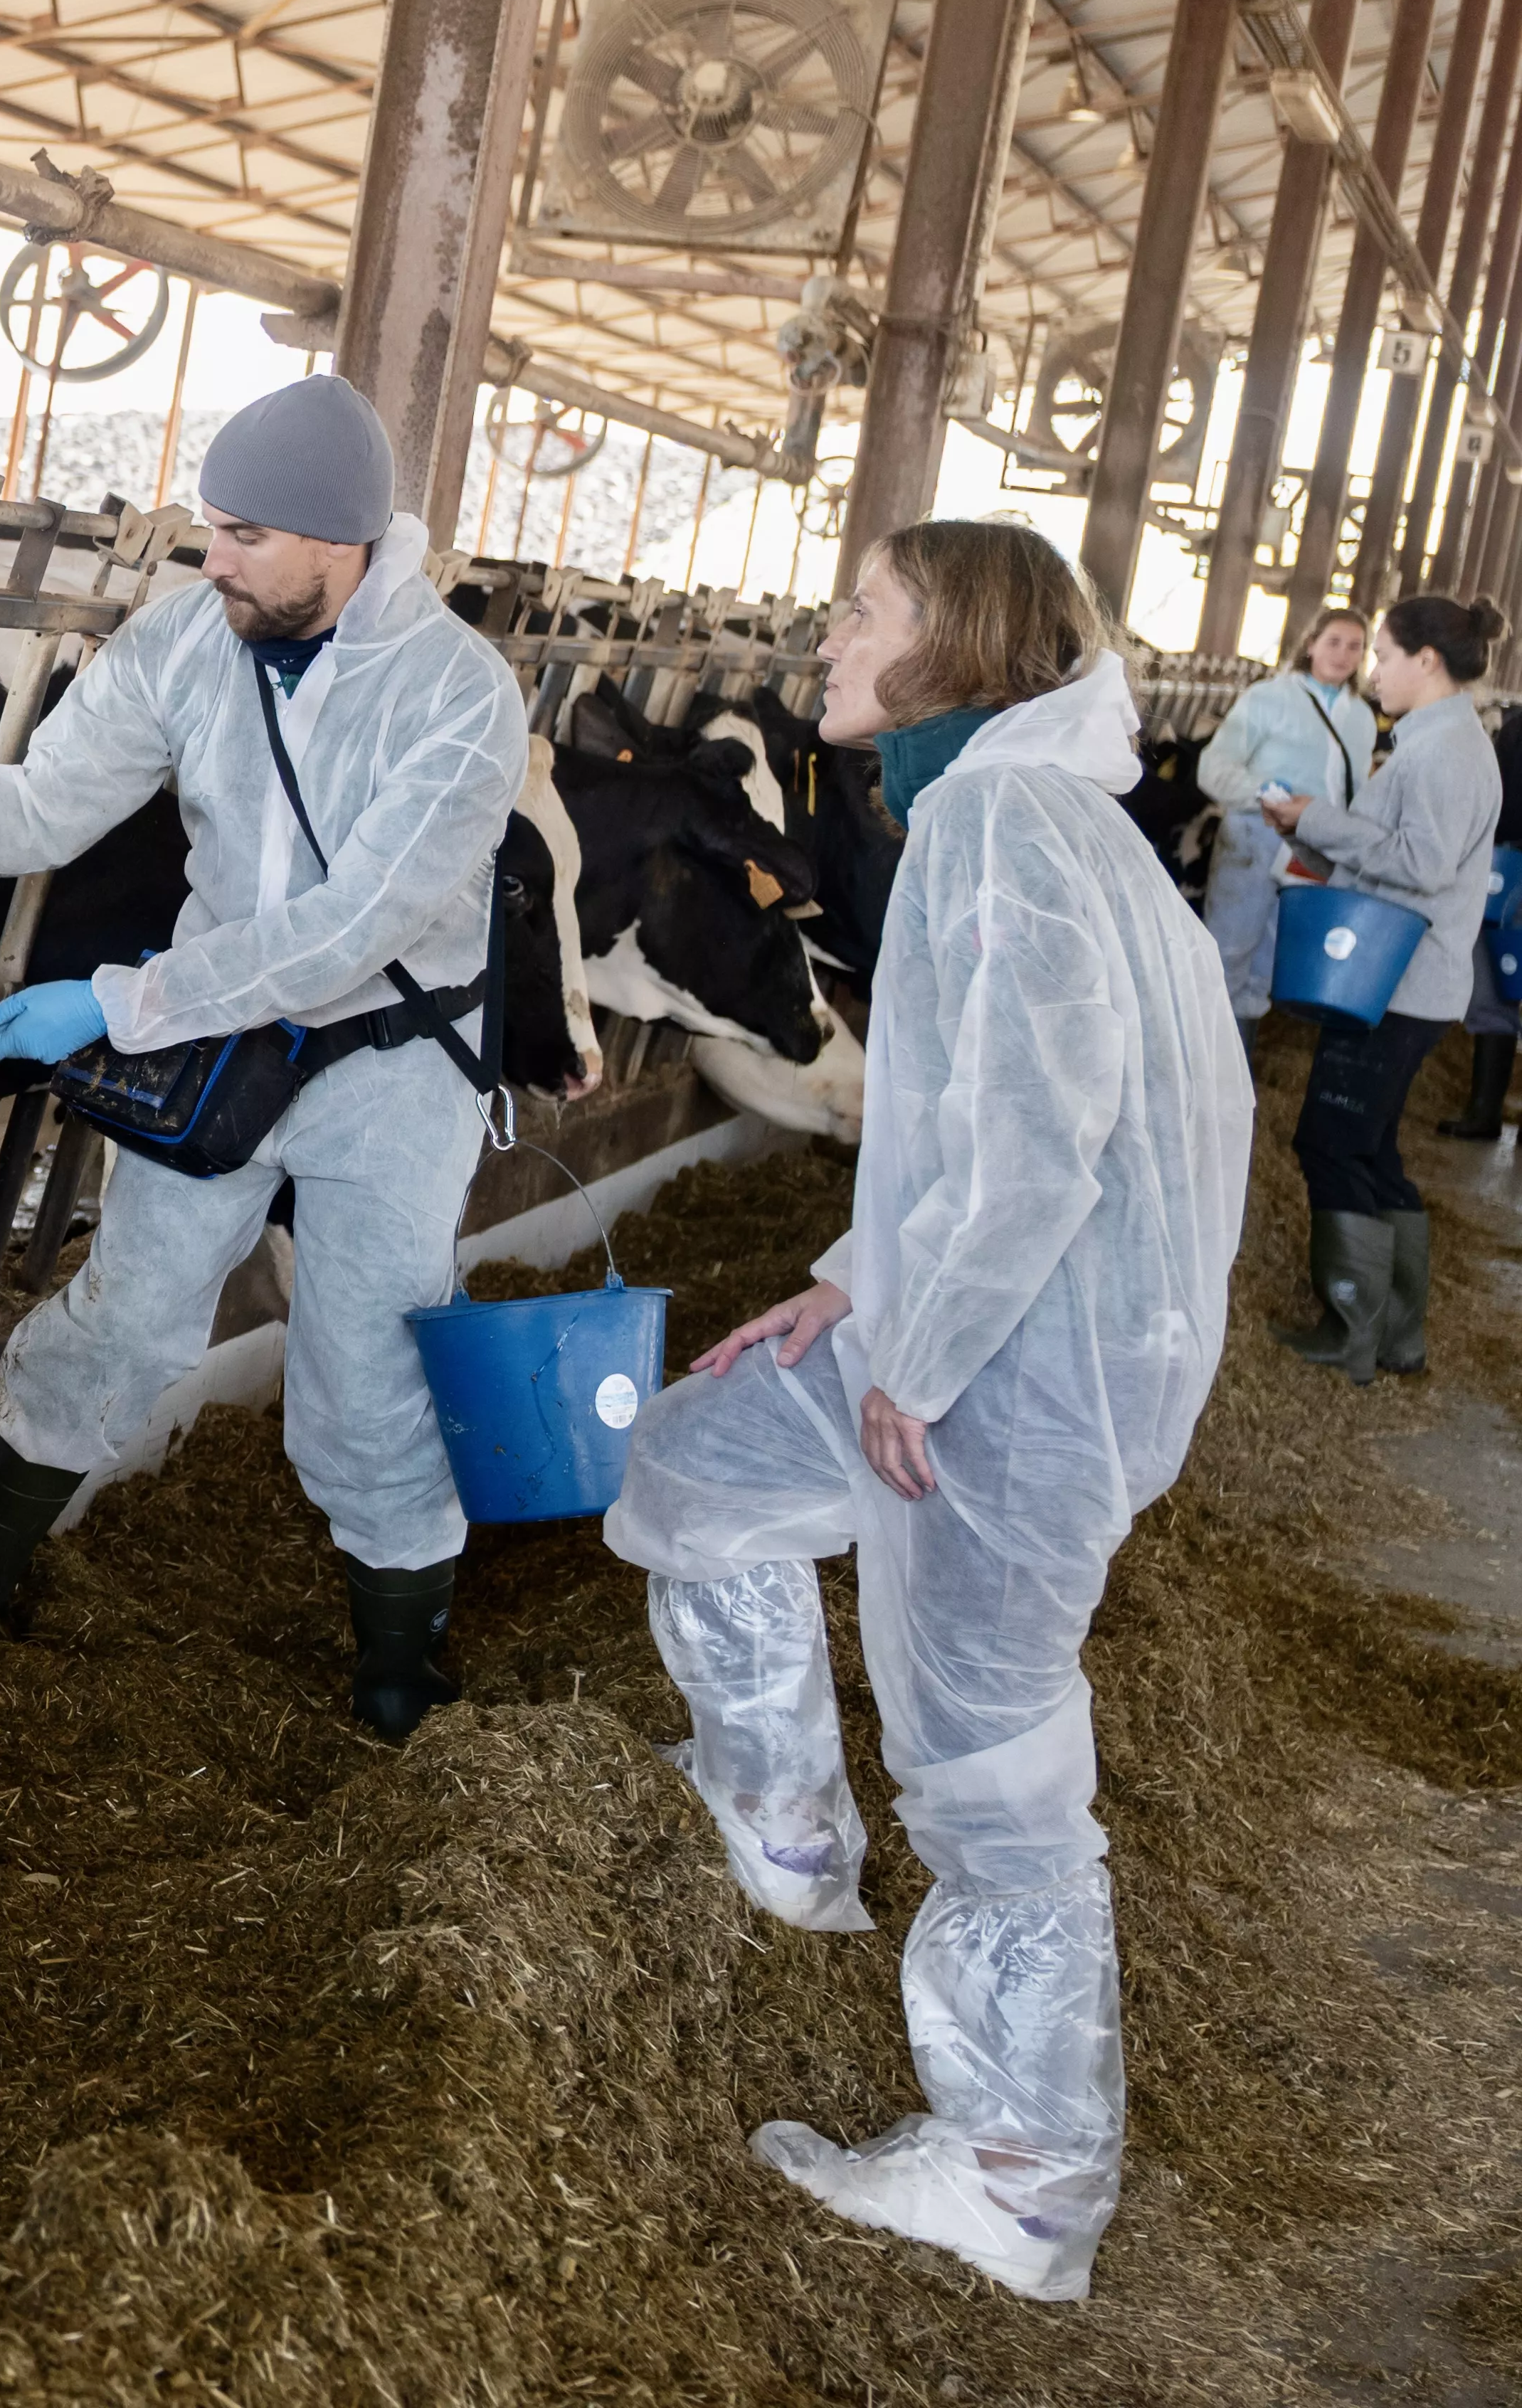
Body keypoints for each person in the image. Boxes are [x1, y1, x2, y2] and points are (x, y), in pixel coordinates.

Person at [603, 519, 1245, 2303]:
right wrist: (855, 1279)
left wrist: (923, 1354)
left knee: (994, 1773)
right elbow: (969, 1119)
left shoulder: (1001, 823)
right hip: (990, 1332)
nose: (828, 633)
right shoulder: (1017, 812)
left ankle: (1029, 2178)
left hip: (1022, 1378)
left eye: (865, 608)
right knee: (699, 1456)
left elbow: (1043, 1139)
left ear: (952, 644)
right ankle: (785, 1824)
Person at [0, 373, 523, 1735]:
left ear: (338, 541)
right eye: (212, 527)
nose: (212, 559)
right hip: (214, 1051)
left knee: (369, 1372)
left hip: (392, 1062)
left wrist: (118, 1001)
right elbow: (42, 806)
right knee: (122, 1319)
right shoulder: (187, 642)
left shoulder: (460, 695)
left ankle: (400, 1675)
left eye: (245, 536)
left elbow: (349, 931)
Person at [1262, 593, 1506, 1380]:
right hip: (1407, 977)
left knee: (1329, 1141)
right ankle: (1398, 1336)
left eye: (1385, 656)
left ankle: (1350, 1332)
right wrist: (1308, 830)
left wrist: (1319, 820)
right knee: (1372, 1148)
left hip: (1391, 978)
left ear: (1426, 661)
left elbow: (1422, 863)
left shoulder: (1442, 753)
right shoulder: (1443, 742)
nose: (1375, 671)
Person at [1193, 607, 1374, 1041]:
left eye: (1356, 647)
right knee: (1228, 952)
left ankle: (1242, 1072)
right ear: (1310, 644)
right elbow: (1212, 768)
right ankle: (1202, 1061)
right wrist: (1261, 791)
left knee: (1271, 959)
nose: (1343, 654)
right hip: (1256, 838)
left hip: (1313, 851)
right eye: (1333, 641)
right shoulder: (1268, 698)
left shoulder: (1363, 718)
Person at [1432, 699, 1522, 1142]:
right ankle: (1484, 1111)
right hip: (1503, 869)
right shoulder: (1512, 727)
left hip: (1505, 867)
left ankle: (1490, 1113)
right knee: (1491, 989)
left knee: (1496, 990)